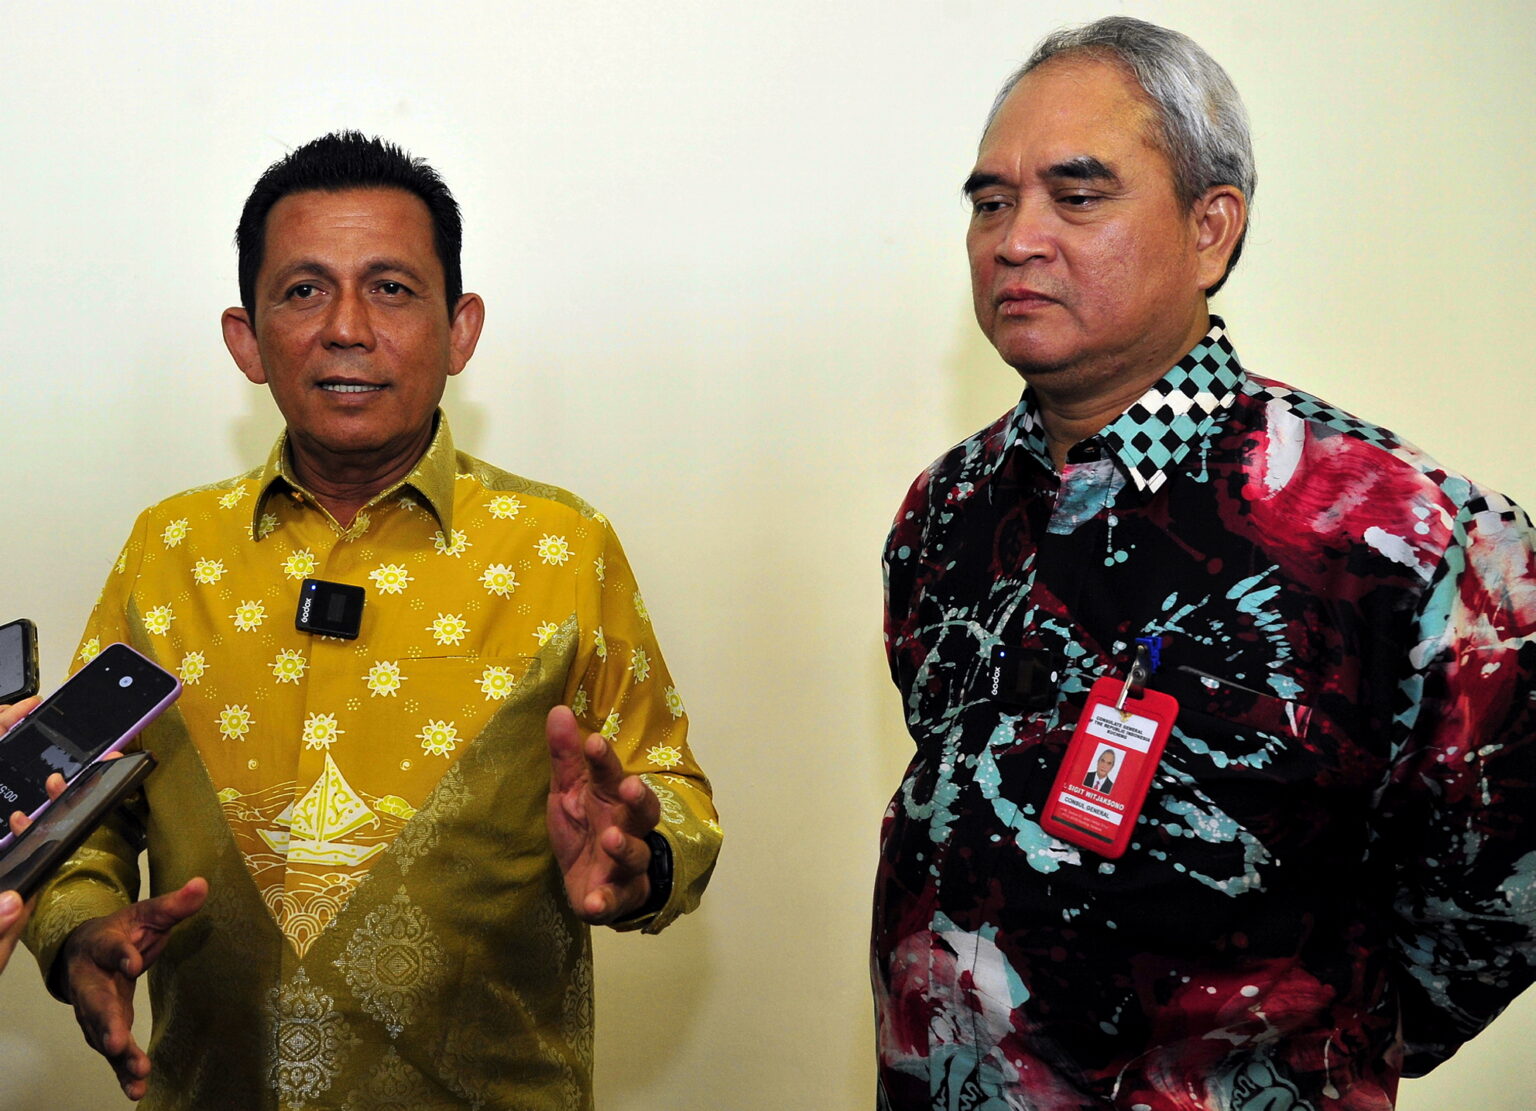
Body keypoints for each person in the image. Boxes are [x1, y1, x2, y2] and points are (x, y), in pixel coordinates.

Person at [873, 15, 1536, 1110]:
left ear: (1210, 230)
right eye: (990, 202)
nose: (1015, 239)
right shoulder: (945, 510)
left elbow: (1499, 896)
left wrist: (1301, 1047)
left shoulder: (1406, 533)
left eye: (1076, 196)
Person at [24, 132, 721, 1109]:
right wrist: (76, 929)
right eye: (304, 290)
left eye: (391, 288)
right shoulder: (167, 549)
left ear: (461, 330)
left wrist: (643, 858)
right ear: (246, 339)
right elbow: (73, 805)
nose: (347, 327)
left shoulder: (563, 548)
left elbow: (671, 788)